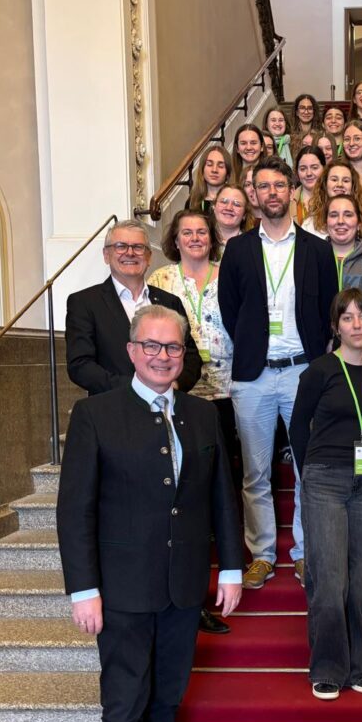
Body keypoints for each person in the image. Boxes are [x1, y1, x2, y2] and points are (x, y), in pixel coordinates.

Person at [57, 304, 243, 722]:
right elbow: (75, 511)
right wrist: (84, 589)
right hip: (121, 592)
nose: (164, 357)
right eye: (153, 346)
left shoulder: (202, 414)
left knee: (166, 700)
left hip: (183, 589)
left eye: (174, 348)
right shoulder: (95, 415)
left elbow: (223, 497)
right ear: (132, 351)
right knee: (124, 707)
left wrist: (231, 570)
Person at [217, 156, 336, 588]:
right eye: (263, 186)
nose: (272, 193)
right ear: (254, 194)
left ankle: (304, 552)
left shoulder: (317, 249)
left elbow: (330, 308)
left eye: (279, 185)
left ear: (291, 191)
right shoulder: (238, 250)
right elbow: (230, 309)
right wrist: (252, 344)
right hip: (254, 376)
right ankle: (263, 554)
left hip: (302, 372)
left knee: (307, 468)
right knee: (255, 472)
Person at [290, 288, 362, 699]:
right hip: (325, 479)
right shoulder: (319, 371)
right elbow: (298, 427)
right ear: (336, 327)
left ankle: (359, 665)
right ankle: (328, 666)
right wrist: (309, 474)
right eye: (347, 318)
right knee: (330, 580)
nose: (356, 324)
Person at [149, 210, 239, 634]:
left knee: (222, 488)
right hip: (179, 394)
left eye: (202, 231)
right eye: (187, 232)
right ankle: (191, 595)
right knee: (184, 495)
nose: (195, 238)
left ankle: (227, 567)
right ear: (176, 238)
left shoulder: (228, 274)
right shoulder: (160, 280)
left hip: (229, 391)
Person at [65, 220, 202, 397]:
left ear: (149, 257)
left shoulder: (170, 302)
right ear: (106, 255)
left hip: (166, 404)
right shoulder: (84, 302)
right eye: (120, 246)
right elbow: (80, 365)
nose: (130, 253)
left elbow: (191, 357)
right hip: (113, 406)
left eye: (138, 247)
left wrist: (174, 385)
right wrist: (136, 390)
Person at [303, 159, 362, 241]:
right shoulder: (309, 225)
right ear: (325, 184)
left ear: (353, 186)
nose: (340, 184)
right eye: (334, 180)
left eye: (346, 181)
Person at [325, 194, 362, 295]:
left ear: (359, 224)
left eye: (348, 215)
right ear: (326, 223)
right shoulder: (313, 258)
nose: (340, 221)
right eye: (334, 215)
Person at [188, 145, 230, 212]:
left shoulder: (234, 201)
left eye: (221, 166)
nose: (214, 170)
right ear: (202, 170)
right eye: (209, 164)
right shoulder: (192, 201)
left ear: (228, 173)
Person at [294, 145, 326, 225]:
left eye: (314, 168)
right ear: (297, 172)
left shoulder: (333, 198)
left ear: (324, 169)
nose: (309, 173)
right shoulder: (289, 201)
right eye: (303, 169)